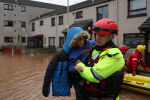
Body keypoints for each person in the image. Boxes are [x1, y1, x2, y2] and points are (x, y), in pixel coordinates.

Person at [74, 18, 125, 100]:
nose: (97, 38)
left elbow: (93, 75)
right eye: (96, 34)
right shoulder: (95, 49)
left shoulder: (114, 55)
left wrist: (79, 64)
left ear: (111, 36)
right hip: (89, 96)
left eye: (102, 35)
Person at [42, 27, 84, 97]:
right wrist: (45, 89)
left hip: (83, 85)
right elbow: (49, 71)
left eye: (82, 39)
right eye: (77, 40)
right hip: (70, 84)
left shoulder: (86, 50)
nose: (80, 42)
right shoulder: (60, 55)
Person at [68, 30, 95, 99]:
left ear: (83, 38)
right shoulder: (73, 50)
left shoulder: (92, 44)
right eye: (76, 41)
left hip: (92, 76)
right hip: (79, 79)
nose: (78, 43)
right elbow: (70, 66)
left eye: (79, 40)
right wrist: (75, 67)